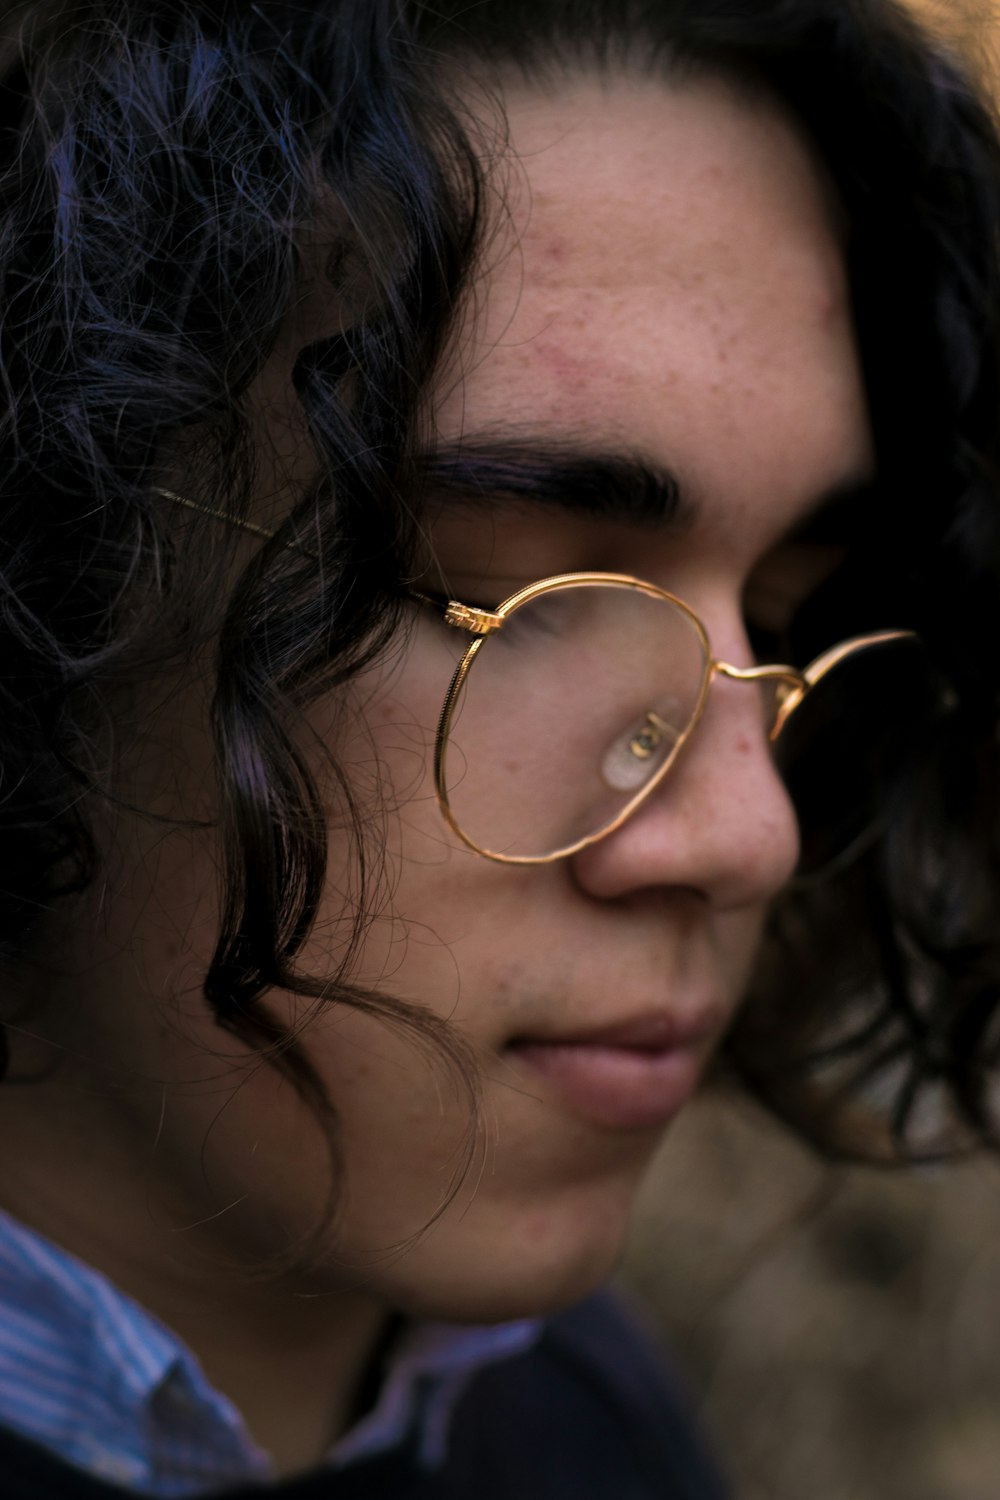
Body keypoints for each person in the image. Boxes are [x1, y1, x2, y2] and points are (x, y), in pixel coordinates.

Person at [0, 0, 998, 1494]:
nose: (750, 834)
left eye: (791, 611)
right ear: (52, 567)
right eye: (520, 595)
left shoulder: (587, 1426)